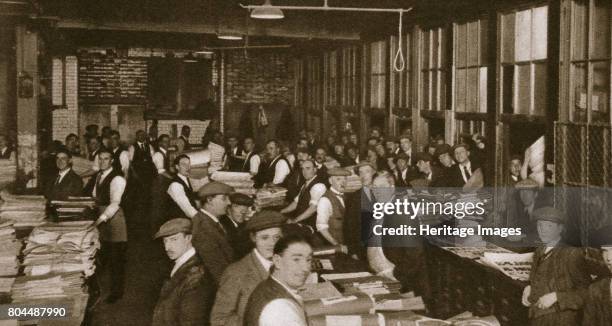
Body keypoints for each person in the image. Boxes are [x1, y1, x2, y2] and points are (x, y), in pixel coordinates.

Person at [211, 210, 286, 326]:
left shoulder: (287, 264)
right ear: (253, 238)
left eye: (277, 238)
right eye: (264, 238)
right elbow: (219, 320)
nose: (272, 244)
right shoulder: (236, 272)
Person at [521, 207, 592, 326]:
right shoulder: (540, 250)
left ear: (560, 229)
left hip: (560, 319)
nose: (543, 230)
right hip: (537, 316)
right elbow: (536, 276)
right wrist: (529, 287)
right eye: (540, 225)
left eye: (549, 226)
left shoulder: (571, 254)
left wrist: (557, 297)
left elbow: (587, 293)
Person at [152, 218, 214, 326]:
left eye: (174, 239)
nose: (167, 247)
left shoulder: (196, 278)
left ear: (188, 238)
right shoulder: (180, 264)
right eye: (165, 241)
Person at [244, 234, 313, 326]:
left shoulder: (267, 286)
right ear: (277, 261)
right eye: (296, 259)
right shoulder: (279, 308)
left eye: (308, 260)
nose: (306, 268)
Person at [91, 149, 128, 303]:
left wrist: (100, 220)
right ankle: (96, 290)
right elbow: (95, 196)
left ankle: (116, 293)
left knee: (115, 259)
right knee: (100, 256)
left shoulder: (117, 179)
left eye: (106, 159)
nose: (102, 162)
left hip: (113, 221)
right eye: (100, 159)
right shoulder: (99, 175)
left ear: (112, 161)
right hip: (102, 218)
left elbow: (114, 204)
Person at [192, 181, 236, 284]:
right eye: (224, 199)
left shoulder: (210, 221)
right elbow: (218, 270)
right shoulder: (203, 229)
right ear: (209, 200)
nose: (229, 203)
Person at [281, 159, 326, 228]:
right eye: (302, 169)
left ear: (315, 169)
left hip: (311, 225)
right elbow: (296, 203)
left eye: (308, 168)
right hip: (302, 220)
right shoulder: (305, 184)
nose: (304, 172)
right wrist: (281, 212)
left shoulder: (318, 186)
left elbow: (313, 209)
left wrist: (295, 220)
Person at [316, 168, 350, 246]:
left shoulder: (346, 197)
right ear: (330, 181)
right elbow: (321, 227)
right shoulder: (325, 200)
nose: (343, 182)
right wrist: (336, 244)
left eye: (345, 179)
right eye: (338, 179)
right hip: (334, 245)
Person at [220, 193, 254, 258]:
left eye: (246, 208)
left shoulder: (245, 225)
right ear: (228, 208)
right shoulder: (222, 225)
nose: (243, 211)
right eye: (237, 206)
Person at [166, 155, 198, 219]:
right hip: (179, 222)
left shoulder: (185, 179)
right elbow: (188, 210)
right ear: (177, 167)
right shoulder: (175, 185)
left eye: (189, 164)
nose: (188, 167)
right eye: (184, 164)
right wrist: (202, 219)